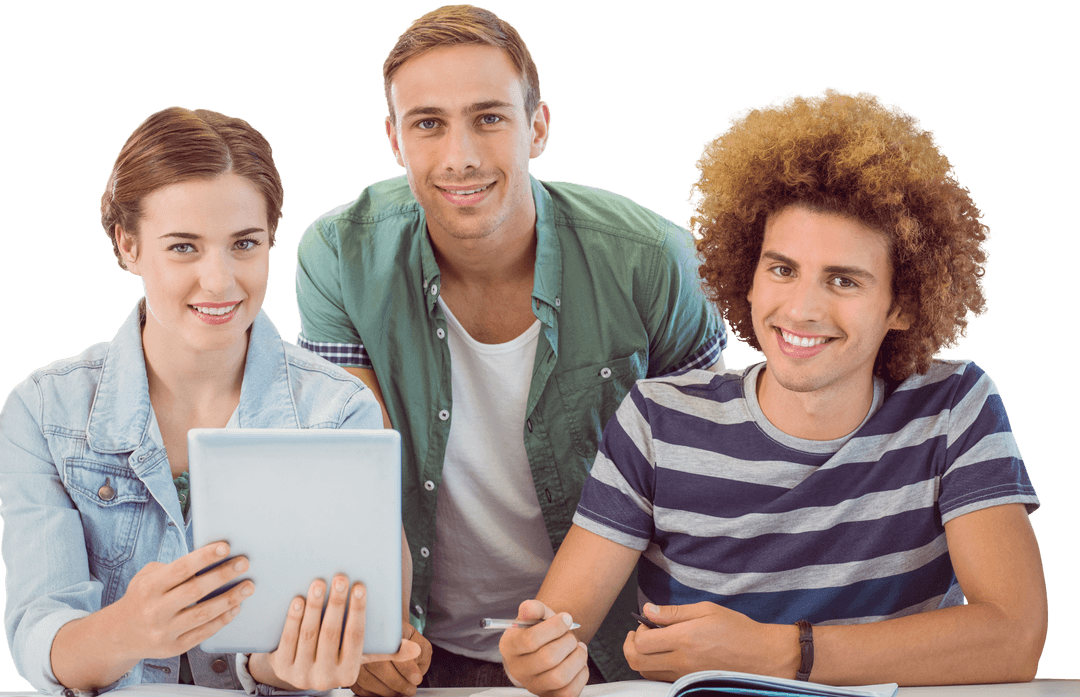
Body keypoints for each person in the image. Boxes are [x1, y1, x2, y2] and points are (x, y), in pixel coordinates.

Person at [500, 88, 1047, 694]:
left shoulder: (954, 407)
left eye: (843, 280)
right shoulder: (658, 420)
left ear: (903, 304)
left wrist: (773, 651)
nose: (801, 309)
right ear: (748, 276)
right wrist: (538, 656)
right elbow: (560, 630)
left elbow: (1013, 636)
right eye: (782, 270)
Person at [293, 4, 725, 691]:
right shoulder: (338, 256)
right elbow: (352, 473)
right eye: (428, 123)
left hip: (612, 653)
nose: (459, 155)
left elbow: (712, 485)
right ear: (394, 140)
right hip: (416, 648)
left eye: (489, 117)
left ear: (538, 127)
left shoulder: (653, 259)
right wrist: (372, 633)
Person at [0, 107, 419, 695]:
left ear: (271, 239)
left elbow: (355, 634)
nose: (220, 281)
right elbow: (40, 638)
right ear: (127, 246)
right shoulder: (44, 412)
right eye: (183, 248)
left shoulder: (339, 411)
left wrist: (290, 671)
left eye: (244, 244)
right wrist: (129, 629)